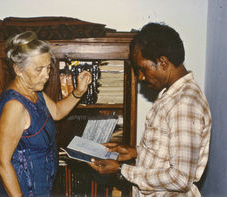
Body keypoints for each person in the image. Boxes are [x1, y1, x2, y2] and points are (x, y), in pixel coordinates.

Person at [89, 22, 212, 196]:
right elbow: (168, 150)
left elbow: (180, 178)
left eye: (142, 69)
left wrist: (121, 171)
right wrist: (135, 152)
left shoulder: (185, 104)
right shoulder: (171, 95)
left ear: (162, 62)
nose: (140, 77)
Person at [0, 31, 92, 197]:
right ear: (18, 69)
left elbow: (57, 112)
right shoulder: (15, 106)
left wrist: (79, 91)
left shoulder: (33, 91)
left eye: (48, 68)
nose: (46, 75)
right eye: (39, 69)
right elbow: (1, 161)